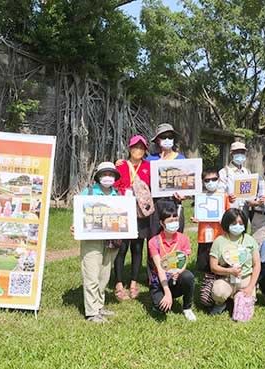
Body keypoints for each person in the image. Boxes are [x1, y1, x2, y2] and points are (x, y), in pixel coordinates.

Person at [72, 162, 123, 323]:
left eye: (111, 175)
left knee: (104, 273)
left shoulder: (118, 196)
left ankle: (99, 305)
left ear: (115, 177)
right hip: (91, 239)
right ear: (98, 177)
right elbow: (79, 213)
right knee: (91, 273)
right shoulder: (88, 193)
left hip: (111, 240)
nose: (107, 178)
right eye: (104, 174)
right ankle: (92, 312)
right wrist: (76, 225)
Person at [114, 134, 152, 300]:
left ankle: (134, 283)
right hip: (123, 212)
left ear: (145, 151)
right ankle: (119, 283)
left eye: (141, 148)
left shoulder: (149, 167)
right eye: (135, 147)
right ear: (129, 148)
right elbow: (114, 186)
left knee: (137, 248)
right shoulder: (120, 166)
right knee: (121, 248)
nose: (138, 150)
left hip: (141, 214)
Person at [209, 208, 261, 317]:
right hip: (226, 278)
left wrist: (250, 287)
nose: (238, 226)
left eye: (241, 223)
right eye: (234, 223)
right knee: (219, 292)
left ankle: (238, 297)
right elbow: (213, 267)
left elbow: (257, 265)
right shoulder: (219, 241)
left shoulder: (250, 240)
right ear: (227, 223)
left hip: (245, 278)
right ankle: (221, 303)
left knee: (244, 313)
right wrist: (230, 271)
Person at [147, 206, 197, 321]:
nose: (174, 223)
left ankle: (187, 308)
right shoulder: (153, 242)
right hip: (161, 281)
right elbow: (159, 269)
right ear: (162, 223)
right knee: (161, 309)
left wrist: (179, 272)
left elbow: (184, 261)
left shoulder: (183, 239)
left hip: (176, 277)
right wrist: (167, 292)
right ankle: (163, 297)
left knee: (188, 276)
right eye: (170, 221)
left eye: (175, 220)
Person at [194, 169, 232, 308]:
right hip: (204, 237)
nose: (211, 182)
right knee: (206, 268)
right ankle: (207, 295)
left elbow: (229, 216)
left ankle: (222, 294)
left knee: (221, 265)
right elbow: (197, 213)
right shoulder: (200, 197)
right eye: (207, 180)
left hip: (220, 237)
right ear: (203, 182)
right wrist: (196, 218)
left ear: (219, 180)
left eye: (214, 179)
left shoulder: (224, 196)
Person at [147, 123, 187, 237]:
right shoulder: (150, 160)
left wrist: (185, 195)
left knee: (175, 236)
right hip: (155, 204)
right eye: (163, 137)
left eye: (170, 136)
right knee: (154, 238)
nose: (167, 139)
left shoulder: (181, 159)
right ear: (158, 140)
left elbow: (187, 183)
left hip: (174, 202)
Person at [217, 141, 252, 212]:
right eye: (237, 152)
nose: (240, 154)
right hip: (230, 211)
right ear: (231, 154)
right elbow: (219, 194)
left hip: (244, 211)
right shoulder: (224, 172)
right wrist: (228, 198)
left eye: (242, 152)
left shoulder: (247, 171)